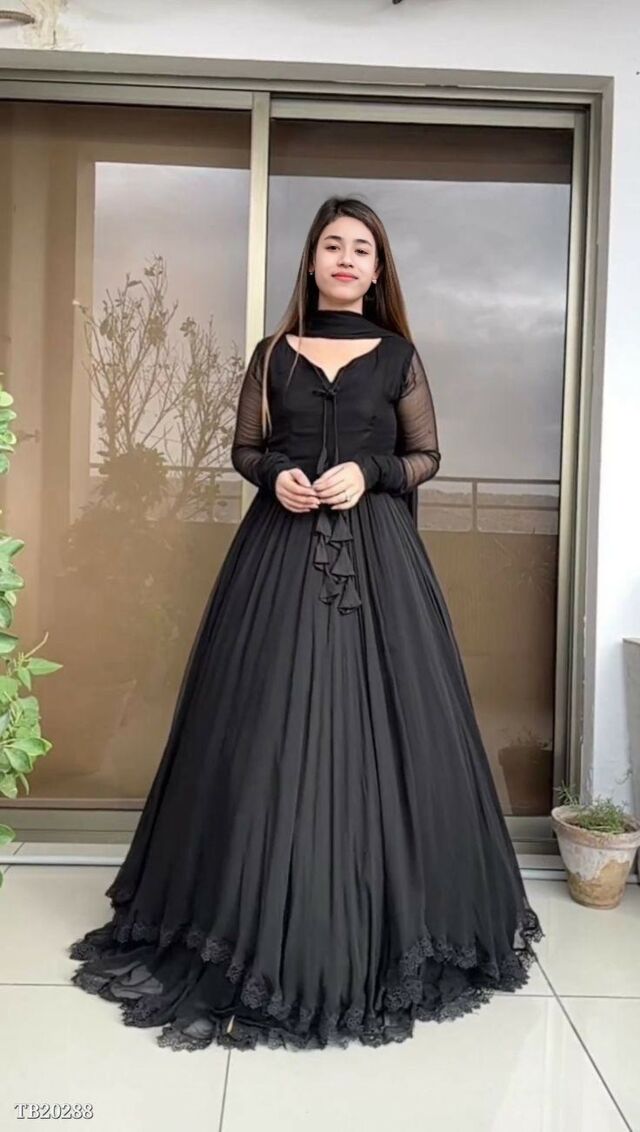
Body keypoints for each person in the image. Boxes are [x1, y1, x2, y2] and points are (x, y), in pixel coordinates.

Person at [69, 195, 544, 1052]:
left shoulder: (398, 356)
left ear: (378, 269)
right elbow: (245, 449)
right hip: (278, 557)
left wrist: (370, 471)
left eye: (362, 247)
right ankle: (250, 914)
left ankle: (382, 920)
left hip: (378, 561)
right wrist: (276, 477)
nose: (347, 257)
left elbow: (427, 456)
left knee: (386, 730)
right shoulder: (273, 353)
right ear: (313, 261)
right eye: (333, 244)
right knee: (263, 724)